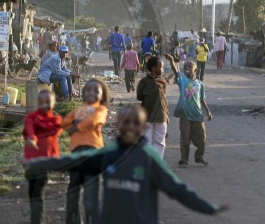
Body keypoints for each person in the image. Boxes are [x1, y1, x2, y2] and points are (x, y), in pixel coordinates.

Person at [25, 104, 227, 223]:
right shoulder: (109, 153)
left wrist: (209, 208)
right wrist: (36, 164)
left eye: (135, 123)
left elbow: (177, 188)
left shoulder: (149, 157)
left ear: (143, 127)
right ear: (117, 125)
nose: (130, 126)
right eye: (126, 122)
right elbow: (73, 161)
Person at [61, 78, 110, 224]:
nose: (91, 92)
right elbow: (64, 122)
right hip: (75, 154)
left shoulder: (101, 110)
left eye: (96, 90)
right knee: (72, 195)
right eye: (88, 89)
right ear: (82, 93)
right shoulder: (77, 111)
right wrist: (70, 125)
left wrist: (76, 126)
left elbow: (94, 121)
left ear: (102, 95)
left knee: (90, 198)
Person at [166, 54, 213, 168]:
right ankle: (184, 160)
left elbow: (201, 99)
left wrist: (208, 111)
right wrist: (172, 60)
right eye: (185, 66)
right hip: (185, 116)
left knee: (201, 140)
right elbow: (176, 71)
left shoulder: (200, 84)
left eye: (189, 66)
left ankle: (199, 157)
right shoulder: (182, 80)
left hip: (198, 116)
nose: (186, 68)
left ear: (195, 69)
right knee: (185, 141)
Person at [23, 90, 62, 224]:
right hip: (30, 160)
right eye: (40, 103)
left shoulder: (55, 120)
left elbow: (54, 129)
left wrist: (35, 135)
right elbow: (29, 128)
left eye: (47, 102)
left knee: (38, 193)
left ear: (54, 103)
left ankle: (37, 220)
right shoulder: (31, 117)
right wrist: (32, 136)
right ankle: (36, 217)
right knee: (31, 191)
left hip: (44, 163)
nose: (44, 105)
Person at [136, 57, 169, 158]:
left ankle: (157, 163)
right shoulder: (143, 82)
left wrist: (167, 117)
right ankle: (147, 162)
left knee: (160, 142)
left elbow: (164, 99)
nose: (163, 69)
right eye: (161, 67)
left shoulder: (163, 82)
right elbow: (139, 96)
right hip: (147, 115)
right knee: (146, 141)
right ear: (154, 68)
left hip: (161, 115)